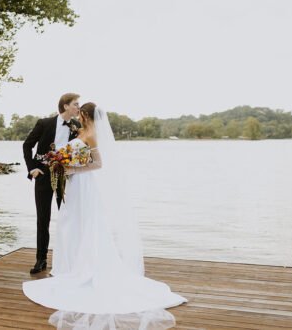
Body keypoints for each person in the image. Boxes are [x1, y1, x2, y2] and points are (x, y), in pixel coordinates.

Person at [23, 102, 187, 329]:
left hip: (84, 184)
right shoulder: (79, 130)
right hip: (74, 184)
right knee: (69, 223)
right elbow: (70, 151)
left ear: (86, 115)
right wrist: (61, 161)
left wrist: (71, 169)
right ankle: (70, 265)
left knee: (85, 222)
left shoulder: (91, 134)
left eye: (80, 111)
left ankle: (82, 266)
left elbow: (97, 163)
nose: (77, 113)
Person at [23, 93, 81, 274]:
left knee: (66, 218)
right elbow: (27, 145)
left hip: (65, 178)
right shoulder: (44, 123)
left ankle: (67, 258)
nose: (78, 107)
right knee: (43, 219)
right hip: (43, 177)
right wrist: (33, 169)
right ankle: (41, 260)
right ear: (65, 106)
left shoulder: (77, 126)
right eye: (75, 104)